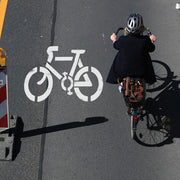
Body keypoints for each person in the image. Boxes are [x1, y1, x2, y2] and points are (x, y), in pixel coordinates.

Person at [106, 13, 157, 85]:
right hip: (141, 71)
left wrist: (114, 39)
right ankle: (150, 80)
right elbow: (152, 49)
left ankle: (119, 83)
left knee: (118, 56)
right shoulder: (145, 40)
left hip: (123, 71)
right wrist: (152, 41)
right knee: (147, 57)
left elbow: (115, 45)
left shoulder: (122, 40)